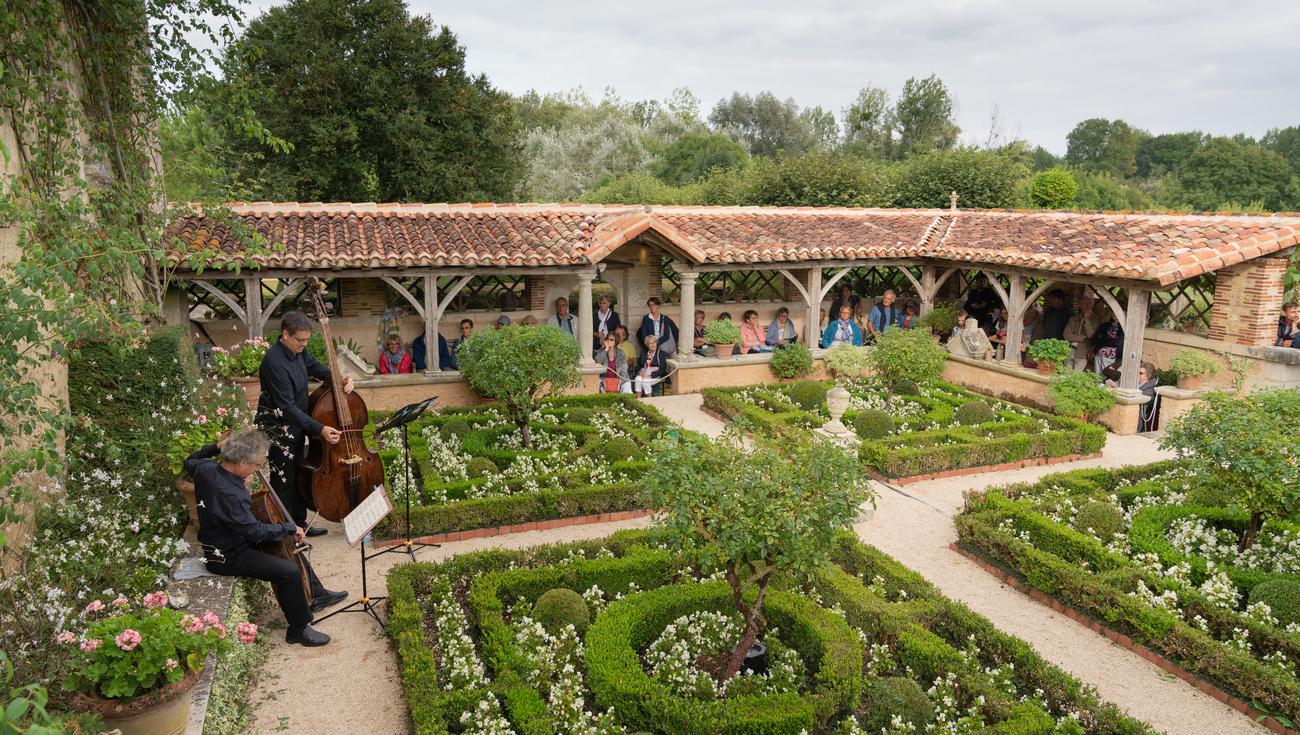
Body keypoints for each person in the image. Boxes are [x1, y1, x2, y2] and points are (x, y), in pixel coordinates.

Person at [186, 429, 347, 646]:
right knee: (287, 571)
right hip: (227, 555)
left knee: (288, 545)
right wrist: (288, 527)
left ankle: (316, 593)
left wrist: (217, 446)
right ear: (241, 462)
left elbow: (190, 459)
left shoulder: (205, 469)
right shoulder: (232, 494)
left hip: (228, 539)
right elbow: (255, 532)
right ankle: (298, 630)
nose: (258, 469)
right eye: (257, 465)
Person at [256, 311, 354, 534]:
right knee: (284, 481)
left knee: (299, 476)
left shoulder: (298, 351)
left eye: (307, 340)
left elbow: (317, 369)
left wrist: (340, 380)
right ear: (285, 335)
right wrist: (319, 429)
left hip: (298, 424)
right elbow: (286, 407)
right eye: (300, 340)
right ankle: (286, 533)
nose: (304, 344)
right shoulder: (274, 362)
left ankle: (299, 524)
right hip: (279, 428)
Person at [1064, 295, 1100, 371]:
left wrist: (1087, 321)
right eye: (1083, 304)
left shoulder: (1096, 319)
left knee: (1076, 374)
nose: (1086, 306)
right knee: (1066, 373)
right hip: (1069, 349)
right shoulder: (1074, 318)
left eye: (1089, 303)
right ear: (1079, 305)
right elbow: (1066, 335)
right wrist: (1082, 338)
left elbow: (1091, 335)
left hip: (1083, 352)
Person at [1091, 308, 1125, 375]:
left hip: (1112, 357)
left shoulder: (1124, 328)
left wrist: (1104, 339)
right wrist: (1110, 341)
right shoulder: (1105, 325)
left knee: (1106, 375)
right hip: (1098, 354)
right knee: (1096, 375)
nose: (1116, 316)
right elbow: (1095, 339)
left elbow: (1118, 342)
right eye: (1114, 313)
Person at [1137, 362, 1160, 432]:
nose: (1137, 375)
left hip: (1141, 419)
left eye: (1140, 373)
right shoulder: (1136, 381)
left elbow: (1140, 398)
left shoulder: (1151, 388)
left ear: (1149, 375)